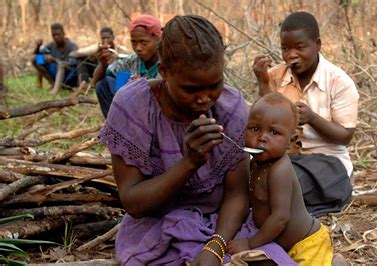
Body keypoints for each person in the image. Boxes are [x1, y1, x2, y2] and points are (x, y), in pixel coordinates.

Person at [99, 15, 295, 265]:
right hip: (155, 229)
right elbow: (133, 203)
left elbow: (237, 194)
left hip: (224, 224)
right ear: (164, 72)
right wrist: (189, 162)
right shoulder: (134, 107)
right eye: (190, 89)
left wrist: (215, 246)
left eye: (215, 85)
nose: (204, 99)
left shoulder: (230, 108)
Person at [253, 11, 359, 217]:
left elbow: (345, 137)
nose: (292, 55)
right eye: (285, 48)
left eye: (300, 48)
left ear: (317, 45)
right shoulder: (275, 76)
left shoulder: (339, 82)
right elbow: (266, 120)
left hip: (327, 162)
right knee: (251, 176)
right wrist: (262, 82)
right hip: (286, 159)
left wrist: (312, 118)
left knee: (281, 183)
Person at [227, 92, 333, 265]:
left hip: (306, 243)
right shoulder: (255, 163)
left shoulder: (279, 171)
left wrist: (250, 244)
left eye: (274, 132)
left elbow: (280, 217)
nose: (262, 137)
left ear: (291, 141)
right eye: (254, 129)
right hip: (278, 243)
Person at [94, 14, 162, 118]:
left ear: (157, 40)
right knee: (103, 84)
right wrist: (103, 64)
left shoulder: (168, 62)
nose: (138, 48)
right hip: (134, 111)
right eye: (133, 42)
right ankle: (116, 127)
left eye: (143, 42)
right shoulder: (133, 61)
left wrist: (143, 85)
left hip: (159, 114)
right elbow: (96, 81)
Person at [31, 23, 78, 95]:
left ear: (63, 33)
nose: (56, 37)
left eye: (58, 35)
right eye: (54, 35)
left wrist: (55, 61)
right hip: (55, 73)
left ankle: (55, 91)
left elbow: (73, 64)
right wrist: (38, 46)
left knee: (61, 65)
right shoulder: (51, 45)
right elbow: (35, 56)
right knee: (36, 59)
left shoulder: (72, 46)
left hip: (69, 76)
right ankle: (51, 83)